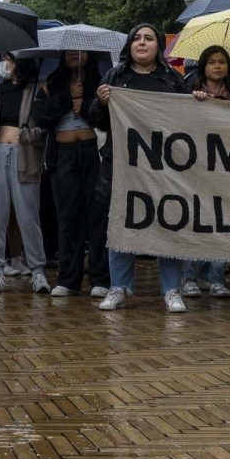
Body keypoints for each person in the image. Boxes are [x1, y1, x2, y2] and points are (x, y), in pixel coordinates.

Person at [88, 23, 190, 313]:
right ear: (129, 45)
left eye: (148, 38)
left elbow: (188, 120)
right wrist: (101, 102)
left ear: (158, 45)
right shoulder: (115, 77)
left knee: (168, 222)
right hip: (122, 166)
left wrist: (198, 100)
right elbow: (97, 120)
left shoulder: (172, 79)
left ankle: (172, 289)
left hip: (163, 166)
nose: (142, 43)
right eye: (136, 38)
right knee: (122, 221)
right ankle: (118, 287)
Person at [0, 52, 49, 295]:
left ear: (21, 62)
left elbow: (45, 127)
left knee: (28, 215)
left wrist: (28, 135)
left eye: (9, 59)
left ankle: (37, 271)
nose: (4, 64)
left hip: (25, 156)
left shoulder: (37, 89)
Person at [182, 45, 230, 300]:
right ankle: (189, 277)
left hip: (228, 165)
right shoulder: (191, 90)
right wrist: (194, 102)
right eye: (212, 61)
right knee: (195, 219)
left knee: (223, 221)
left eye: (222, 61)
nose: (218, 66)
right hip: (197, 164)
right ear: (204, 65)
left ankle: (216, 277)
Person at [39, 50, 108, 298]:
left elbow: (107, 119)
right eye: (69, 51)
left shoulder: (101, 83)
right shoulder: (51, 83)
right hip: (63, 154)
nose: (74, 54)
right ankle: (69, 279)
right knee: (68, 217)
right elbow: (41, 118)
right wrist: (68, 98)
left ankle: (100, 278)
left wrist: (88, 105)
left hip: (92, 152)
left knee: (97, 215)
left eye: (80, 51)